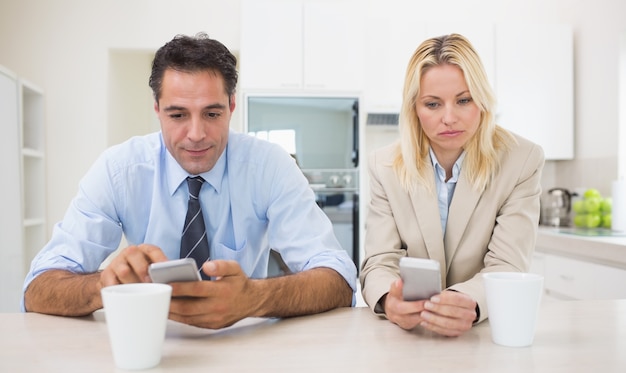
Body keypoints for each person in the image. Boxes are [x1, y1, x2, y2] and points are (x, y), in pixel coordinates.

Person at [22, 32, 357, 329]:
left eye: (212, 114)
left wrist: (255, 298)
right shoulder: (119, 170)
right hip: (149, 341)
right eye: (178, 115)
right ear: (157, 109)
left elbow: (340, 279)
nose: (196, 134)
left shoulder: (269, 166)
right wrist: (105, 285)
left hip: (245, 341)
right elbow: (38, 288)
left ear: (232, 106)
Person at [359, 33, 545, 337]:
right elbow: (380, 261)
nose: (449, 118)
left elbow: (508, 264)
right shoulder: (384, 166)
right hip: (408, 337)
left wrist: (464, 303)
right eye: (432, 104)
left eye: (463, 100)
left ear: (482, 101)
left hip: (483, 333)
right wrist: (387, 300)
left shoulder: (522, 160)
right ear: (414, 110)